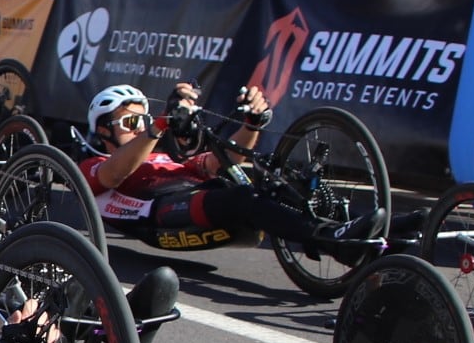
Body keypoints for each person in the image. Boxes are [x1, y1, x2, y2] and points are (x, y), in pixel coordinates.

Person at [78, 81, 373, 251]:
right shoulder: (92, 164)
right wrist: (157, 125)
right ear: (103, 130)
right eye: (131, 122)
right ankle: (328, 238)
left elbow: (222, 162)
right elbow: (115, 173)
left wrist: (252, 124)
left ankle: (373, 228)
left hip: (201, 195)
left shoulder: (165, 158)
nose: (141, 126)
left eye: (144, 119)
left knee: (274, 186)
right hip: (162, 211)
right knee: (241, 198)